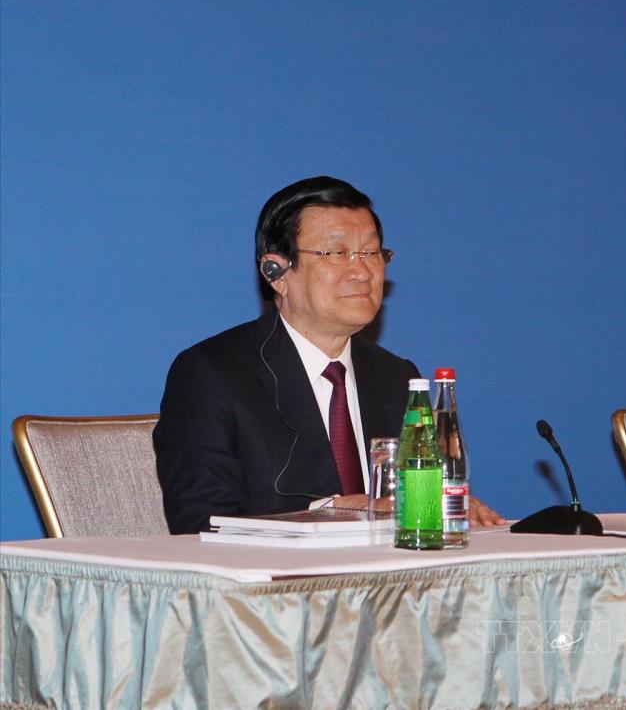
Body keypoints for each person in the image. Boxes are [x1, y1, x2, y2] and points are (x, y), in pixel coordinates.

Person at [154, 176, 505, 534]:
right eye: (336, 254)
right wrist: (335, 510)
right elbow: (200, 524)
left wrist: (440, 507)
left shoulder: (396, 377)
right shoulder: (213, 374)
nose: (362, 271)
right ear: (276, 272)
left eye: (371, 253)